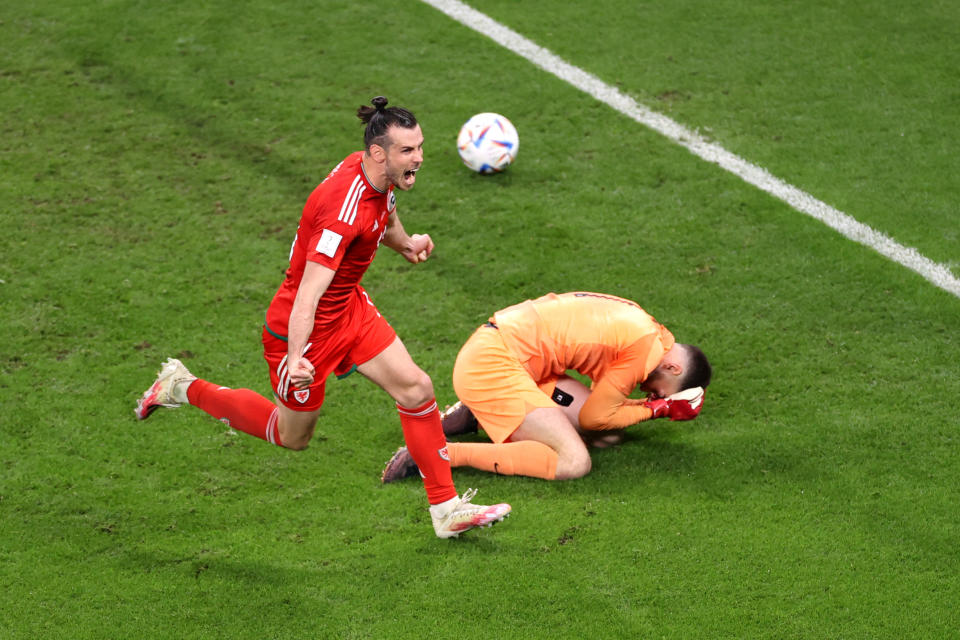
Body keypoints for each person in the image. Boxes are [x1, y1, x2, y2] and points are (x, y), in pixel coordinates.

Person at [135, 96, 510, 538]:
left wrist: (405, 242)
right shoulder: (341, 214)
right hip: (305, 331)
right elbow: (307, 295)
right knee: (291, 435)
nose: (420, 158)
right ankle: (181, 385)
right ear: (379, 153)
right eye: (408, 151)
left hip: (349, 309)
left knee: (416, 388)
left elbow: (383, 210)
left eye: (420, 147)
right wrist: (295, 357)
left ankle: (445, 510)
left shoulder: (374, 171)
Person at [381, 291, 711, 482]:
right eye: (662, 391)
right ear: (673, 366)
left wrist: (653, 407)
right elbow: (597, 416)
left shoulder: (650, 330)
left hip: (517, 360)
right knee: (574, 462)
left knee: (610, 437)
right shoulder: (644, 350)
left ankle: (477, 416)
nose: (651, 394)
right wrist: (658, 410)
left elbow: (605, 419)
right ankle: (436, 455)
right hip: (492, 365)